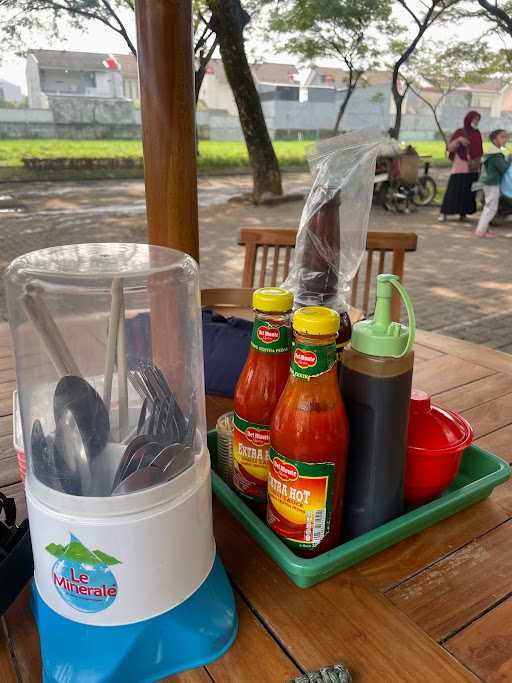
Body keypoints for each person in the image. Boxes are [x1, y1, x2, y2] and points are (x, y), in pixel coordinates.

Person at [439, 111, 483, 222]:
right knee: (455, 189)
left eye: (478, 120)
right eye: (474, 119)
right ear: (469, 119)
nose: (476, 122)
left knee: (468, 190)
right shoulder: (460, 132)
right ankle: (445, 212)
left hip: (474, 166)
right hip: (461, 165)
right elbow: (449, 148)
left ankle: (463, 213)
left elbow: (479, 149)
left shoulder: (477, 133)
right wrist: (459, 140)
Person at [475, 129, 510, 238]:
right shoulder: (495, 154)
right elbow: (503, 168)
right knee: (491, 208)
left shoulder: (494, 152)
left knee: (490, 206)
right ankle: (480, 230)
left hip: (490, 183)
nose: (505, 139)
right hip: (492, 184)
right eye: (502, 137)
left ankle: (484, 229)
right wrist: (510, 159)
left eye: (506, 137)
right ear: (494, 140)